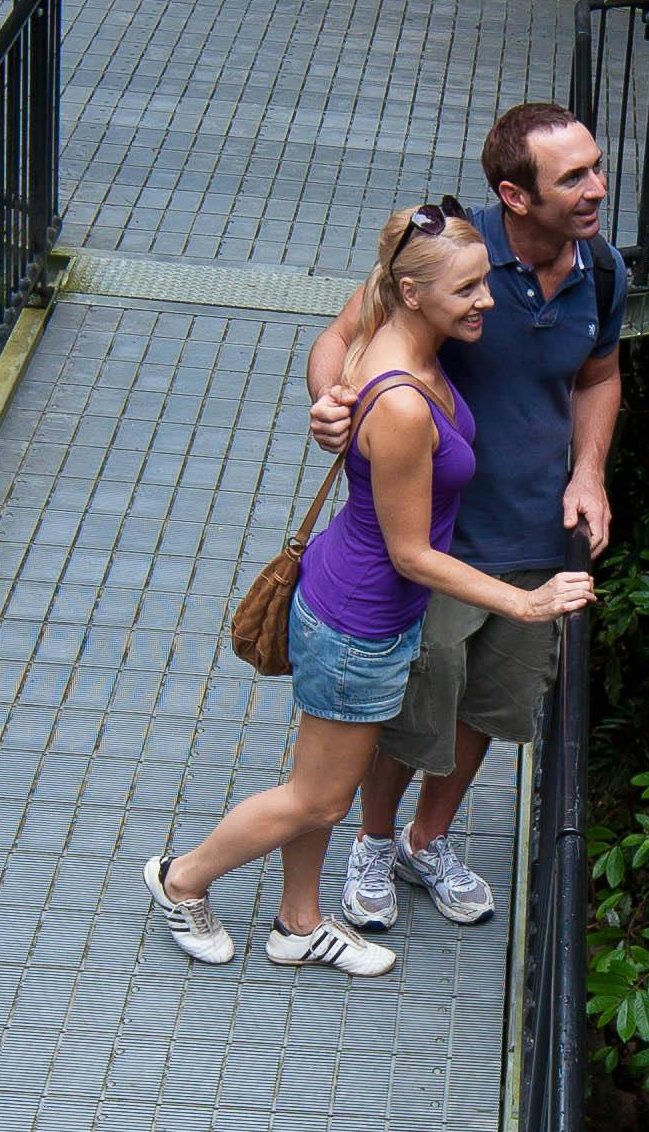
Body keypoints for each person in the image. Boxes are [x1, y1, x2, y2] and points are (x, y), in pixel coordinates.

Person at [144, 199, 595, 974]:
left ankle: (298, 922)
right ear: (414, 294)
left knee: (322, 779)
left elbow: (338, 343)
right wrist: (523, 601)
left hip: (359, 604)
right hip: (361, 618)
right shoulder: (397, 400)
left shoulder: (401, 338)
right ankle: (181, 880)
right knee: (318, 797)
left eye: (485, 282)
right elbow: (411, 553)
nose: (486, 300)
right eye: (468, 291)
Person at [303, 99, 622, 933]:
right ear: (516, 197)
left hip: (538, 536)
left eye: (595, 166)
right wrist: (334, 404)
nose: (597, 187)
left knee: (492, 701)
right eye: (574, 177)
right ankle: (372, 842)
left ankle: (426, 840)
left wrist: (589, 471)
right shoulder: (455, 253)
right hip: (442, 539)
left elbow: (598, 376)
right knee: (419, 703)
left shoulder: (603, 269)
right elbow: (341, 338)